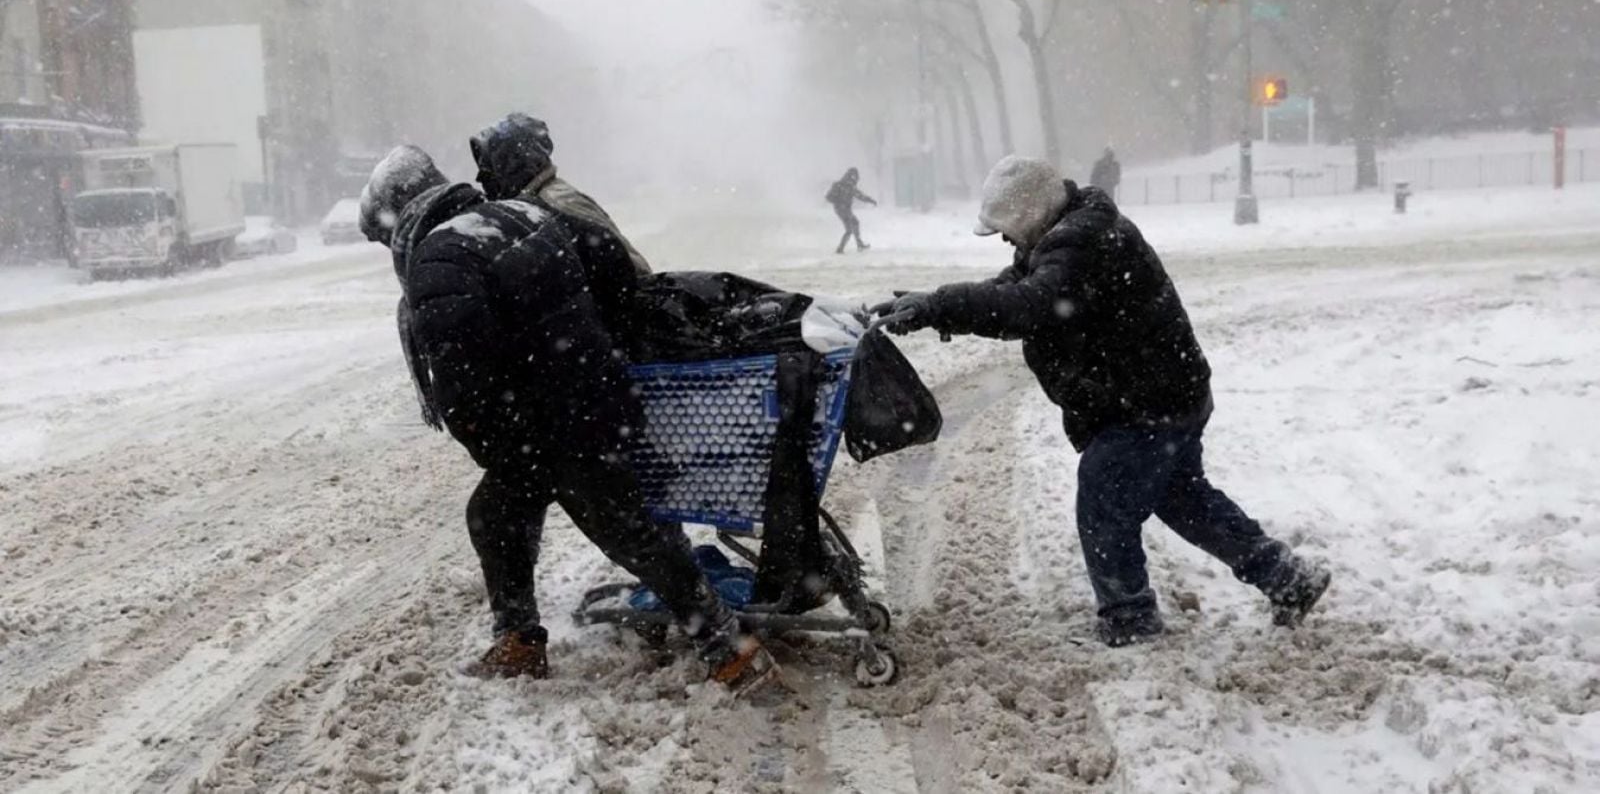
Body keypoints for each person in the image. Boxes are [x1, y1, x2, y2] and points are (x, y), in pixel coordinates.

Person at [358, 144, 776, 692]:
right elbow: (609, 262)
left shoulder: (439, 258)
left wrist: (505, 448)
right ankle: (519, 642)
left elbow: (462, 384)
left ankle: (730, 650)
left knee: (631, 534)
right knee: (499, 514)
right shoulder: (521, 212)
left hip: (550, 426)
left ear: (400, 215)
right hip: (593, 401)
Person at [872, 156, 1330, 646]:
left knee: (1105, 500)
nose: (1004, 239)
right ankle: (1287, 579)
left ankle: (1130, 619)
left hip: (1145, 404)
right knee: (1183, 498)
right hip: (1164, 394)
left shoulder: (1082, 241)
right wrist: (933, 304)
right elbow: (1014, 289)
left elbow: (1031, 305)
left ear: (1031, 211)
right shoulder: (1068, 235)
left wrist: (940, 306)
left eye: (1007, 228)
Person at [469, 112, 653, 276]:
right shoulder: (534, 206)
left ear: (513, 163)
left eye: (488, 170)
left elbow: (633, 269)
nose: (481, 180)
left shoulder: (558, 203)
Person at [825, 167, 877, 254]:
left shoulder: (850, 187)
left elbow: (861, 196)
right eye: (855, 177)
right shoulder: (839, 185)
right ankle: (840, 249)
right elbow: (828, 197)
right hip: (841, 210)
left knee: (855, 222)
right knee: (849, 230)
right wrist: (839, 202)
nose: (855, 179)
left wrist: (871, 200)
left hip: (845, 210)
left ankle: (859, 244)